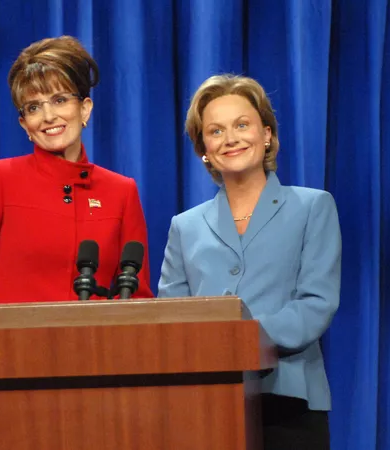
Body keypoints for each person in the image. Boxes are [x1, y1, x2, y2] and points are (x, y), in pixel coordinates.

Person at [157, 74, 341, 449]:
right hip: (206, 401)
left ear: (267, 134)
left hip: (289, 397)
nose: (231, 138)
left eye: (242, 124)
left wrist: (241, 338)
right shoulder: (184, 226)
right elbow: (171, 316)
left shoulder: (313, 206)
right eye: (216, 130)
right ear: (203, 148)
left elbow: (316, 303)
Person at [0, 36, 153, 329]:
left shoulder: (121, 191)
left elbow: (137, 297)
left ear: (85, 109)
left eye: (59, 100)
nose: (48, 116)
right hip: (13, 362)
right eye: (33, 107)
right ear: (24, 125)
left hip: (101, 364)